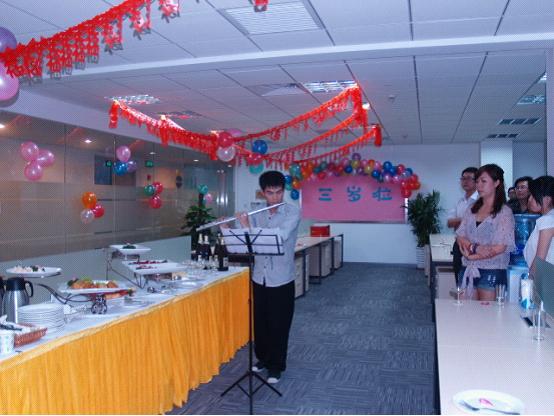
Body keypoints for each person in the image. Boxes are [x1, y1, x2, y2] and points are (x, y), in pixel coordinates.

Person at [225, 171, 300, 384]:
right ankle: (263, 359)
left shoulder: (292, 212)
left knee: (279, 323)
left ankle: (276, 365)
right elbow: (242, 237)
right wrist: (228, 226)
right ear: (263, 193)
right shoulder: (257, 213)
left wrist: (248, 227)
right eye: (270, 193)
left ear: (283, 191)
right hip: (260, 277)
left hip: (281, 278)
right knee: (261, 322)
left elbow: (280, 235)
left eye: (278, 192)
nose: (275, 197)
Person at [456, 164, 515, 301]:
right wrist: (474, 248)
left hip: (492, 269)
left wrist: (473, 256)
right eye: (477, 181)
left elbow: (501, 246)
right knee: (464, 311)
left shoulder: (504, 212)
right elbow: (460, 235)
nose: (479, 186)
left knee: (487, 312)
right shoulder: (472, 208)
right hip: (468, 268)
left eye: (483, 181)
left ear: (496, 183)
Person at [447, 167, 479, 283]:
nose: (465, 181)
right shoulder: (459, 201)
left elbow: (478, 223)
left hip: (475, 245)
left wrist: (459, 222)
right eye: (463, 178)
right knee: (458, 275)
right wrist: (466, 220)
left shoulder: (481, 200)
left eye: (469, 178)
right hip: (459, 243)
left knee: (474, 279)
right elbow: (449, 223)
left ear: (477, 181)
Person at [523, 176, 554, 276]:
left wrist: (529, 280)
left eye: (533, 196)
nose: (529, 200)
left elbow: (539, 260)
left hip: (546, 279)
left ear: (547, 199)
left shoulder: (547, 220)